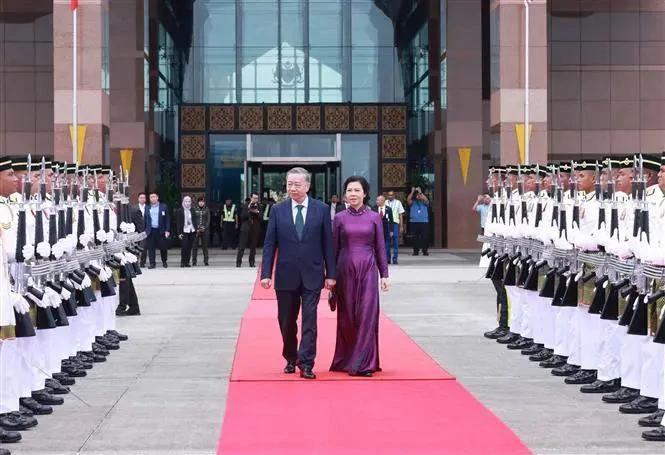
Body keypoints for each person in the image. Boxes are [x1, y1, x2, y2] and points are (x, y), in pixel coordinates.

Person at [261, 167, 336, 380]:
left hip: (312, 274)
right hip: (285, 275)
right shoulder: (278, 210)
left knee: (310, 320)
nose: (292, 188)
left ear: (307, 186)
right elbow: (269, 244)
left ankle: (306, 363)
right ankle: (290, 356)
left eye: (297, 184)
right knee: (286, 321)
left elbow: (328, 245)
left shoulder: (321, 210)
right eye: (289, 184)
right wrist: (266, 273)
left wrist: (331, 274)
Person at [330, 176, 389, 377]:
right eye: (349, 190)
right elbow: (333, 249)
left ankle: (364, 363)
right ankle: (347, 359)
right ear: (345, 194)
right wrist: (330, 276)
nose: (352, 194)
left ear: (365, 193)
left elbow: (381, 247)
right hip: (344, 270)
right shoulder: (339, 218)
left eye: (357, 190)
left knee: (367, 315)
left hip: (368, 270)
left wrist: (385, 274)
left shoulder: (374, 217)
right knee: (347, 317)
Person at [146, 191, 170, 268]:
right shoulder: (147, 207)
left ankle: (164, 261)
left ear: (157, 197)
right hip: (151, 230)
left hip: (161, 230)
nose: (153, 198)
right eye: (151, 197)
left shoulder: (163, 206)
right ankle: (152, 263)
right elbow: (145, 219)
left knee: (163, 247)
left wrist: (167, 230)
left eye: (154, 197)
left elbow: (167, 219)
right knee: (151, 248)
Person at [236, 193, 261, 268]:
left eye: (256, 198)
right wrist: (249, 210)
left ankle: (252, 262)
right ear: (251, 198)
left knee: (253, 247)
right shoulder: (246, 205)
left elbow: (261, 218)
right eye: (254, 198)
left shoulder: (259, 206)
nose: (255, 200)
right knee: (242, 246)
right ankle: (238, 262)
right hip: (245, 228)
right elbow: (242, 217)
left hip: (255, 229)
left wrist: (257, 212)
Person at [407, 186, 430, 256]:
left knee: (425, 237)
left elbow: (426, 200)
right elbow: (408, 200)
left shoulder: (425, 203)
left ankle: (425, 250)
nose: (418, 196)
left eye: (419, 195)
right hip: (414, 222)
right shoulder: (412, 202)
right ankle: (415, 251)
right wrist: (412, 191)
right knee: (414, 237)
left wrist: (420, 192)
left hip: (424, 221)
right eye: (417, 195)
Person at [175, 196, 196, 267]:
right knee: (184, 247)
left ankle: (187, 262)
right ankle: (182, 262)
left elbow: (195, 221)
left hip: (191, 230)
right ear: (183, 202)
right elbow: (178, 223)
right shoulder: (180, 211)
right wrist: (179, 233)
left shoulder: (192, 210)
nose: (187, 203)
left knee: (189, 247)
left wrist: (195, 230)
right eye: (186, 201)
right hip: (184, 231)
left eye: (189, 201)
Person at [374, 194, 393, 264]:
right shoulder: (374, 208)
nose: (377, 201)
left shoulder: (389, 209)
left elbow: (391, 220)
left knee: (387, 245)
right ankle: (377, 260)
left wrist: (391, 230)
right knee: (376, 245)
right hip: (376, 230)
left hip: (386, 230)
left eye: (378, 200)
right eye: (377, 200)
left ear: (383, 201)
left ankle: (387, 259)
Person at [192, 196, 210, 266]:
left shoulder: (207, 209)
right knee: (194, 246)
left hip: (204, 230)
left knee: (205, 246)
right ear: (198, 202)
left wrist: (204, 228)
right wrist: (196, 228)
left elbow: (208, 220)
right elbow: (192, 219)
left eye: (202, 201)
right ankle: (194, 261)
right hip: (196, 230)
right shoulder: (194, 209)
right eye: (200, 202)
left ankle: (206, 261)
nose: (201, 203)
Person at [133, 192, 148, 267]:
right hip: (136, 230)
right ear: (138, 199)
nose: (142, 199)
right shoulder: (134, 208)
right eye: (141, 198)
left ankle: (143, 262)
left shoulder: (148, 208)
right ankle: (136, 261)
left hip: (145, 230)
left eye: (144, 198)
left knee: (144, 247)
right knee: (136, 246)